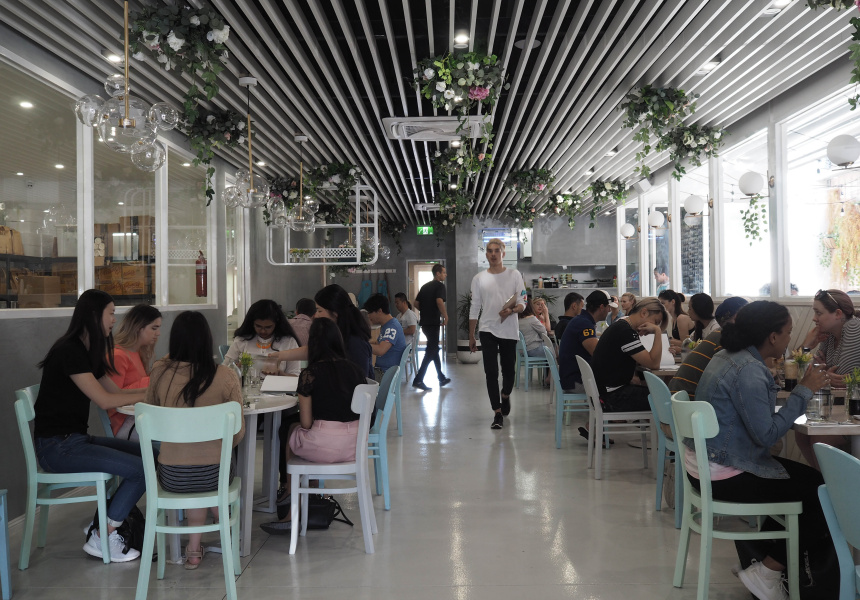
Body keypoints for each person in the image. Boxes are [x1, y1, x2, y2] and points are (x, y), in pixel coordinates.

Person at [688, 301, 832, 600]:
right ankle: (768, 570)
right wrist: (804, 390)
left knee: (803, 483)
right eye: (788, 332)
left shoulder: (726, 356)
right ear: (773, 336)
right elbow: (766, 435)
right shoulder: (749, 370)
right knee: (823, 493)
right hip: (725, 473)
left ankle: (760, 561)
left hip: (704, 466)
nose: (790, 338)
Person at [33, 289, 147, 563]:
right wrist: (148, 395)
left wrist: (151, 393)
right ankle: (102, 534)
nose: (114, 320)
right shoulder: (69, 351)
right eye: (111, 314)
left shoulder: (86, 351)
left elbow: (116, 392)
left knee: (151, 455)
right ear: (95, 315)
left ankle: (104, 521)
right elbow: (105, 400)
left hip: (74, 440)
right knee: (140, 469)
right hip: (57, 447)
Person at [143, 311, 245, 570]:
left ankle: (193, 550)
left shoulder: (159, 373)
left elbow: (152, 414)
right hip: (214, 475)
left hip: (172, 476)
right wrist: (216, 449)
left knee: (192, 473)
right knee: (215, 468)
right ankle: (219, 521)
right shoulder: (225, 375)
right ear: (207, 340)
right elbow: (238, 432)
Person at [260, 318, 369, 532]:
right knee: (294, 429)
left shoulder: (310, 374)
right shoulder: (356, 371)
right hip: (354, 446)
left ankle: (291, 502)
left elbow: (306, 423)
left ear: (313, 344)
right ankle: (303, 494)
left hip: (323, 447)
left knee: (292, 429)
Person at [795, 289, 860, 470]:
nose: (814, 319)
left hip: (853, 410)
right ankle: (827, 483)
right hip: (843, 407)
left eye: (818, 313)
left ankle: (833, 485)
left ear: (838, 314)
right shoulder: (830, 335)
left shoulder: (853, 328)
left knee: (819, 439)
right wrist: (807, 346)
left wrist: (824, 373)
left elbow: (839, 374)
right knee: (802, 435)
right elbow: (811, 374)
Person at [469, 238, 527, 429]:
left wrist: (512, 310)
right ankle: (497, 412)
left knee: (509, 370)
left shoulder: (514, 275)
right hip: (487, 329)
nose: (493, 254)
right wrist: (471, 335)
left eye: (496, 251)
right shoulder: (479, 279)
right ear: (486, 254)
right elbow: (474, 307)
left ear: (503, 253)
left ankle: (505, 395)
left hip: (509, 329)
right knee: (491, 372)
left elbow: (523, 301)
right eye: (489, 251)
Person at [589, 297, 667, 412]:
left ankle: (646, 423)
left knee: (652, 392)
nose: (654, 327)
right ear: (644, 313)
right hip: (611, 397)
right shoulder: (625, 332)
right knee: (664, 398)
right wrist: (658, 332)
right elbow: (654, 364)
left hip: (604, 392)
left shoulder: (621, 326)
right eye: (655, 322)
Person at [669, 296, 748, 402]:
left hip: (681, 399)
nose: (688, 312)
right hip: (690, 402)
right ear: (736, 317)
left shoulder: (716, 331)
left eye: (690, 308)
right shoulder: (724, 338)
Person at [108, 304, 162, 440]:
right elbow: (112, 396)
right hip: (124, 423)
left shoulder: (137, 353)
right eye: (154, 328)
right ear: (138, 327)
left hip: (138, 418)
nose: (158, 333)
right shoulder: (118, 356)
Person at [223, 299, 301, 376]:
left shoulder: (288, 341)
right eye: (258, 326)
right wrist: (237, 369)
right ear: (252, 323)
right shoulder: (241, 340)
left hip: (278, 384)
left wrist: (279, 373)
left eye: (268, 327)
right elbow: (224, 369)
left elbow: (295, 376)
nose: (263, 331)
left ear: (276, 323)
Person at [558, 290, 613, 393]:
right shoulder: (584, 324)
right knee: (620, 384)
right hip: (576, 381)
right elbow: (598, 354)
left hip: (572, 377)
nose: (609, 310)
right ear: (602, 307)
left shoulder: (581, 320)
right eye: (608, 307)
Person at [412, 264, 450, 390]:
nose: (445, 275)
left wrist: (425, 310)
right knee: (431, 350)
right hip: (433, 323)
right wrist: (445, 316)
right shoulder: (440, 286)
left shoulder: (425, 286)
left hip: (424, 323)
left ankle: (441, 378)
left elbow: (415, 303)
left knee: (433, 349)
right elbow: (439, 301)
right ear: (437, 274)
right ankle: (418, 380)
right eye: (444, 272)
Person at [365, 293, 407, 381]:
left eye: (370, 312)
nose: (368, 316)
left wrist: (362, 345)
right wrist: (365, 342)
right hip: (384, 372)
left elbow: (381, 350)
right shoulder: (388, 325)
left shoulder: (392, 327)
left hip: (385, 374)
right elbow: (379, 342)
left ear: (379, 311)